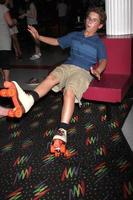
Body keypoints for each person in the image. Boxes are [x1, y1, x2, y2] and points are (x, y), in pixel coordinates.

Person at [0, 7, 107, 149]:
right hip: (67, 66)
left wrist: (98, 70)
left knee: (69, 91)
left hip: (83, 71)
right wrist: (39, 37)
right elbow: (57, 41)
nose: (89, 22)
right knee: (51, 78)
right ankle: (28, 100)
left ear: (100, 25)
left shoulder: (98, 43)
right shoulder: (75, 35)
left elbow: (104, 60)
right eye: (89, 18)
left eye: (94, 20)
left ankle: (62, 130)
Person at [0, 0, 16, 83]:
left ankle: (3, 76)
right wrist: (14, 21)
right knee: (5, 58)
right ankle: (6, 80)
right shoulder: (3, 8)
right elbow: (10, 22)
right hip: (3, 37)